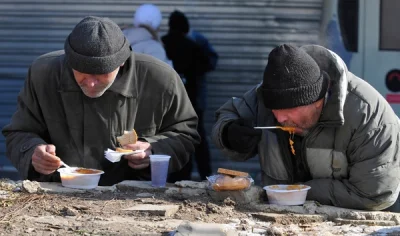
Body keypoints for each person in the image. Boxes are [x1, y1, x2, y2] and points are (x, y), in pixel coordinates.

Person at [2, 16, 200, 186]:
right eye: (81, 73)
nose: (91, 83)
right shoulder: (44, 74)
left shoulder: (160, 79)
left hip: (135, 197)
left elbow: (185, 134)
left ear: (121, 62)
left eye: (101, 74)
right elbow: (19, 132)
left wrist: (153, 150)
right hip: (58, 194)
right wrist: (33, 152)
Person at [211, 43, 400, 211]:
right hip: (283, 222)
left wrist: (301, 192)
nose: (278, 117)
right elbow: (229, 113)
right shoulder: (273, 92)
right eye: (273, 109)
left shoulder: (369, 116)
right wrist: (229, 134)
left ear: (317, 101)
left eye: (288, 110)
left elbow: (375, 193)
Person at [162, 10, 214, 180]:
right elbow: (208, 63)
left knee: (171, 138)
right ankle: (205, 175)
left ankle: (176, 176)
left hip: (168, 105)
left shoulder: (162, 44)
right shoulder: (193, 45)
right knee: (197, 140)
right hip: (193, 102)